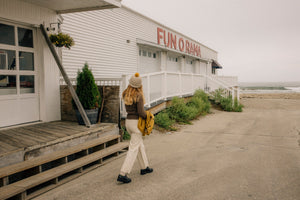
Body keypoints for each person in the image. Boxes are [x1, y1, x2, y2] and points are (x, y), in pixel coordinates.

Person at [117, 73, 153, 184]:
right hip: (137, 124)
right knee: (133, 149)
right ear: (139, 85)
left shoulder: (125, 93)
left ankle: (144, 167)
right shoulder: (139, 95)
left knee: (139, 145)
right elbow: (141, 112)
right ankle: (123, 173)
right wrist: (149, 115)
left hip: (128, 123)